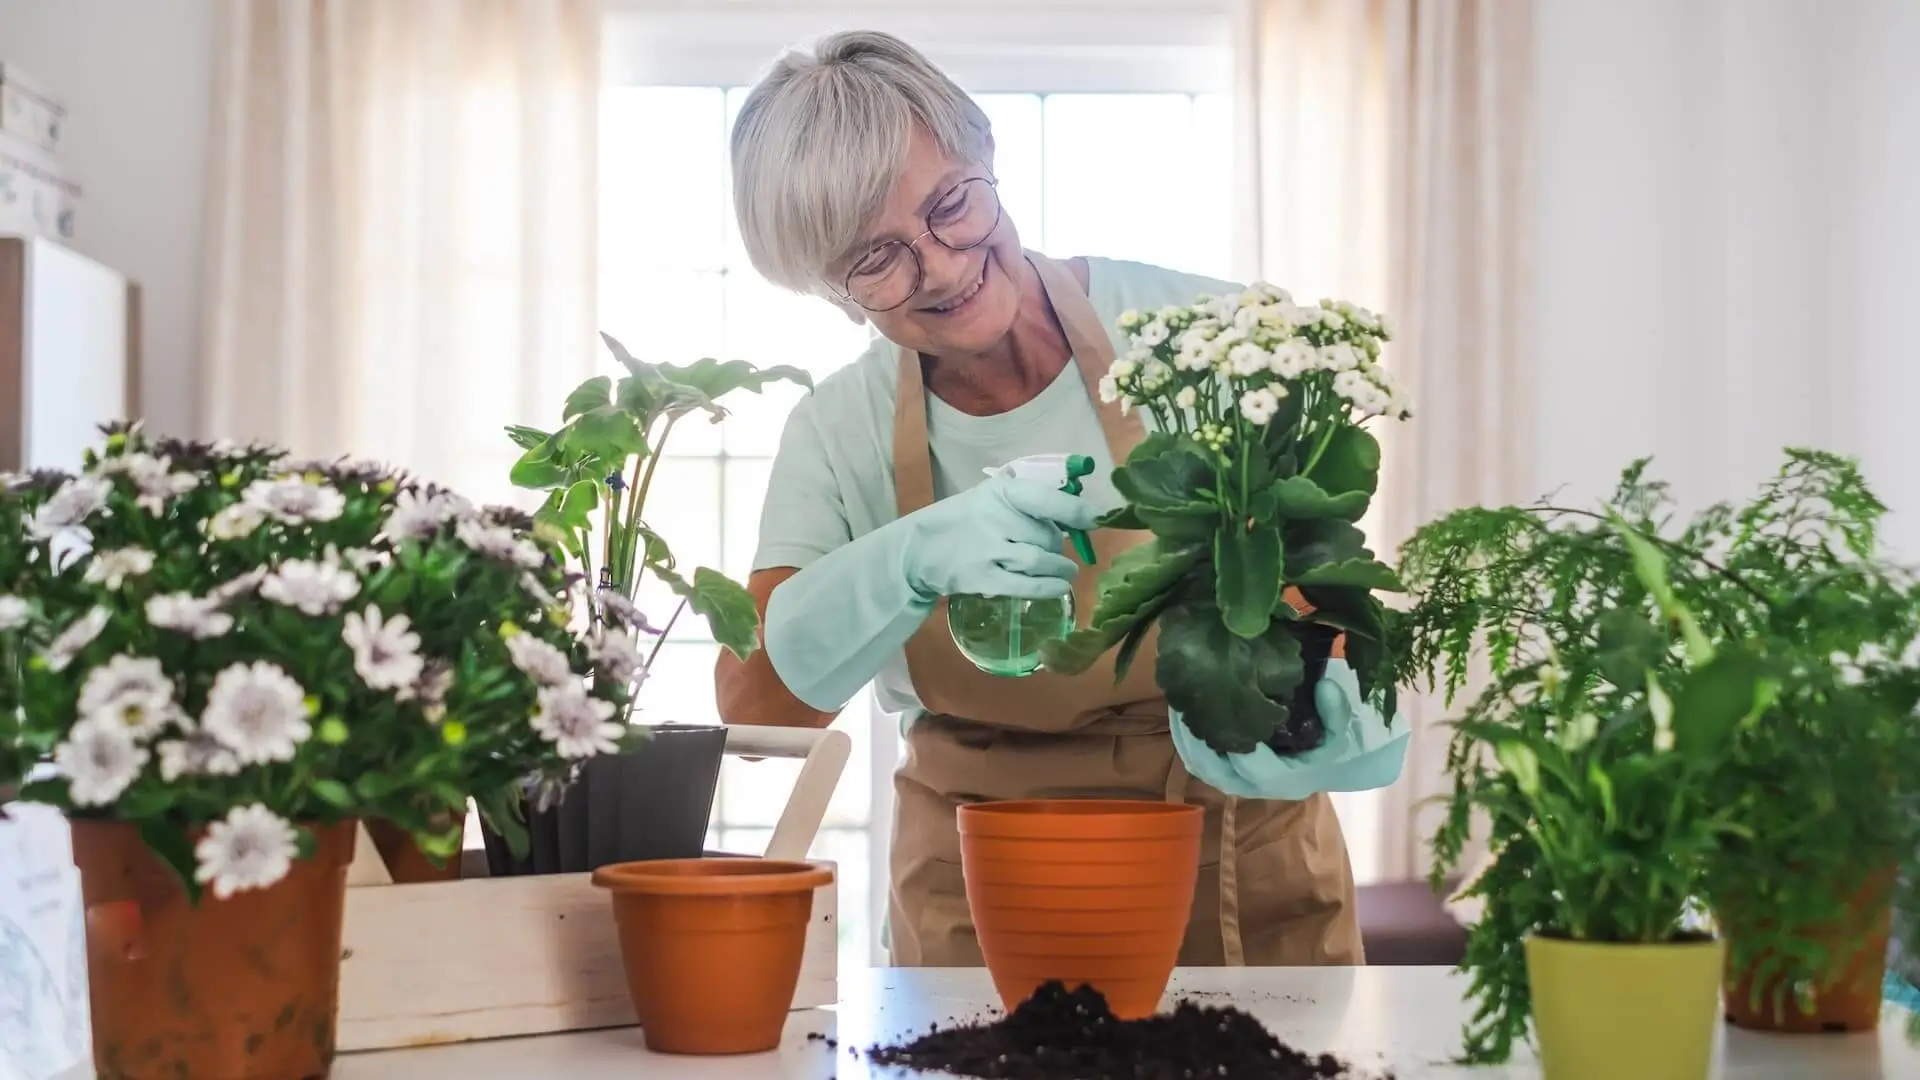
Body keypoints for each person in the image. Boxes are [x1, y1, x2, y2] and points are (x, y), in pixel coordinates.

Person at [714, 29, 1366, 968]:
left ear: (985, 157)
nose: (939, 265)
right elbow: (757, 708)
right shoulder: (839, 429)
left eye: (951, 206)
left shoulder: (1210, 340)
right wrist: (902, 559)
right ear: (829, 289)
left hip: (1229, 859)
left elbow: (1322, 604)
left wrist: (1330, 700)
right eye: (876, 258)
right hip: (976, 896)